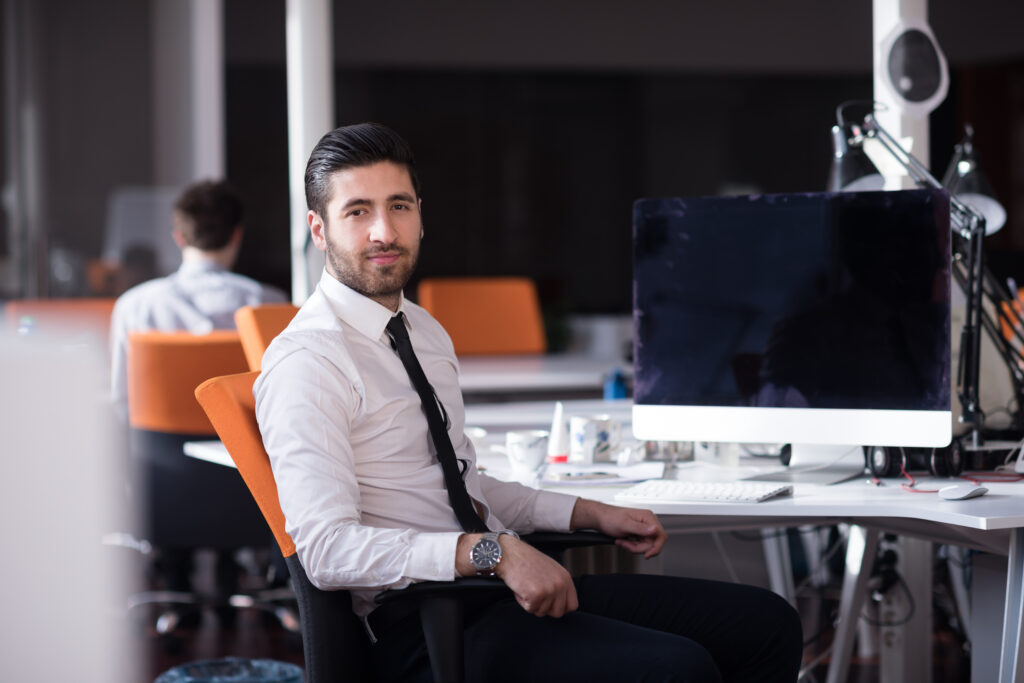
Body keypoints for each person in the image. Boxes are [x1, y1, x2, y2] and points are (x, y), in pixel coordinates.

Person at [254, 123, 802, 682]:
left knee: (766, 624)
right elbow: (328, 551)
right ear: (319, 230)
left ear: (420, 214)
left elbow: (460, 485)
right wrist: (493, 553)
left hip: (496, 595)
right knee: (676, 669)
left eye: (399, 206)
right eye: (357, 212)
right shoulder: (309, 362)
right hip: (424, 628)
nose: (384, 231)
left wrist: (587, 511)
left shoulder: (423, 331)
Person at [109, 179, 288, 418]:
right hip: (241, 440)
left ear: (179, 237)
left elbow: (122, 402)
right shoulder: (270, 305)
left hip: (158, 441)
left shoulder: (133, 306)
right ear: (237, 235)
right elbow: (282, 395)